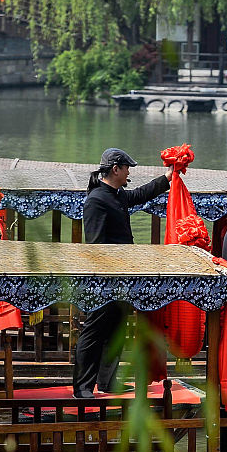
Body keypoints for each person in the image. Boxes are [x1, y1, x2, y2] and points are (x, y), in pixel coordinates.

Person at [74, 148, 172, 398]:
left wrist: (168, 178)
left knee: (115, 330)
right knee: (94, 332)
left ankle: (107, 383)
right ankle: (83, 387)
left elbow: (140, 195)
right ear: (115, 169)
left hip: (121, 278)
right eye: (127, 167)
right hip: (103, 279)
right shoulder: (96, 199)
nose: (129, 172)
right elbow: (95, 244)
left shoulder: (116, 195)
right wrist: (108, 274)